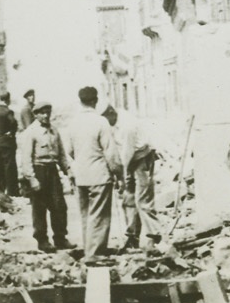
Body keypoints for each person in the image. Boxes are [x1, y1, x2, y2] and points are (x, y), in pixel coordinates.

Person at [66, 86, 122, 263]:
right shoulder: (100, 122)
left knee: (86, 215)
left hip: (80, 176)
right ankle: (95, 254)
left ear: (80, 101)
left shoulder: (72, 123)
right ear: (95, 101)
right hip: (98, 175)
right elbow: (110, 153)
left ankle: (89, 250)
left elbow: (69, 150)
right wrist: (118, 174)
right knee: (100, 215)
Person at [103, 105, 162, 251]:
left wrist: (120, 175)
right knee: (128, 199)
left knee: (143, 200)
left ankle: (154, 237)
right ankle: (132, 237)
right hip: (129, 161)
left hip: (142, 159)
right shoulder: (111, 124)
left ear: (111, 113)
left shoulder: (127, 125)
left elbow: (126, 152)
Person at [18, 99, 72, 252]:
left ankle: (60, 238)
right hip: (38, 170)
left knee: (59, 206)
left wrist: (68, 171)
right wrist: (32, 178)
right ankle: (42, 240)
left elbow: (61, 154)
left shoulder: (54, 131)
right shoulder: (31, 132)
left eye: (48, 112)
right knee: (39, 208)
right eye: (42, 113)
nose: (46, 115)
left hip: (52, 170)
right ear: (35, 115)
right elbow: (26, 158)